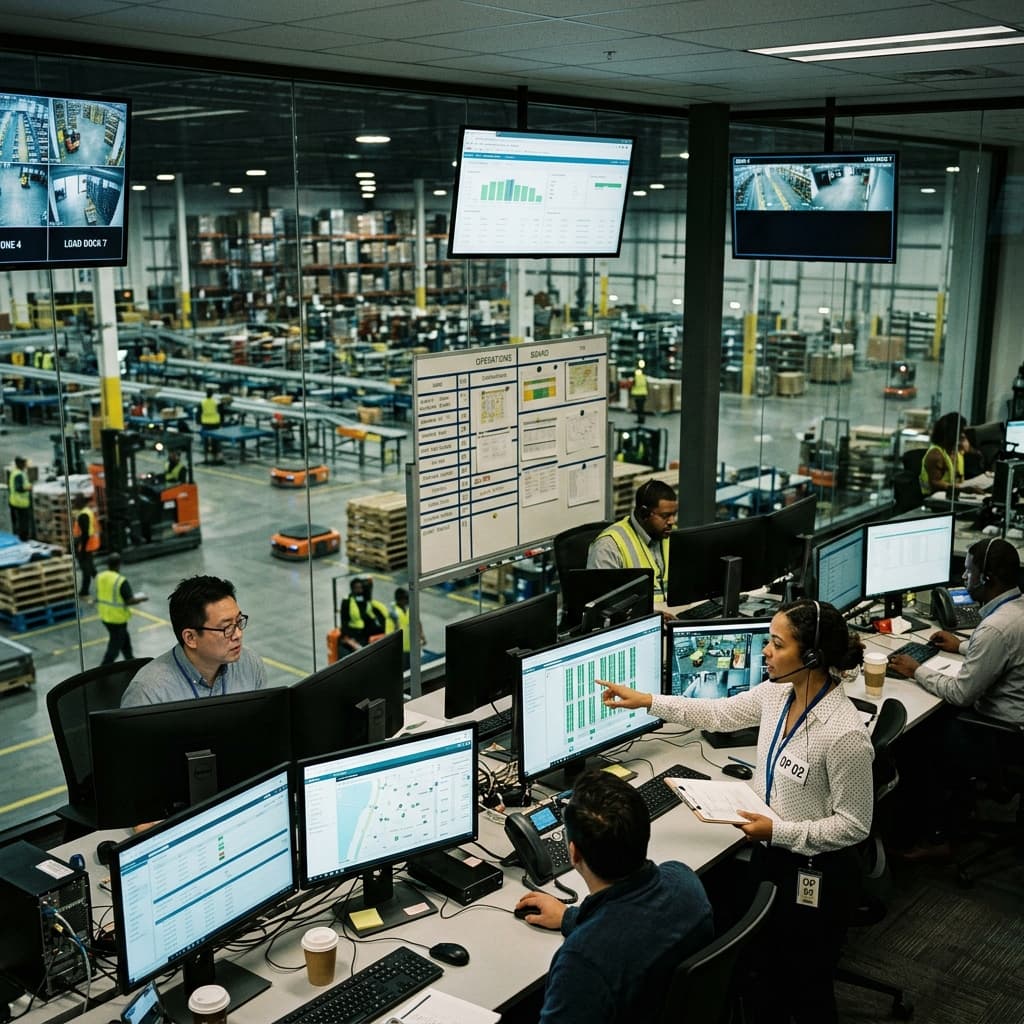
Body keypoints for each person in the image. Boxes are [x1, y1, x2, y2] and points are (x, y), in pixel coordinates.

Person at [599, 599, 873, 1024]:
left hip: (815, 871)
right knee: (768, 976)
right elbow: (719, 713)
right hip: (771, 854)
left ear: (811, 657)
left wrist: (777, 831)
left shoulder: (843, 733)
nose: (766, 651)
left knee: (808, 988)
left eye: (777, 644)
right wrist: (647, 701)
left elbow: (854, 825)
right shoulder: (778, 693)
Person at [513, 770, 713, 1024]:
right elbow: (630, 923)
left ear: (574, 853)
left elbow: (613, 934)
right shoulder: (684, 881)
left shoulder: (583, 962)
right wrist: (569, 917)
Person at [888, 537, 1024, 856]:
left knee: (915, 739)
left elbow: (961, 693)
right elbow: (1001, 651)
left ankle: (937, 836)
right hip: (1015, 725)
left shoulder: (995, 628)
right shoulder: (1015, 610)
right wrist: (962, 646)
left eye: (968, 571)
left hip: (1005, 737)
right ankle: (959, 808)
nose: (964, 578)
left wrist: (916, 669)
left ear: (987, 578)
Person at [120, 575, 266, 706]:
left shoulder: (249, 664)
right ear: (190, 638)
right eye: (226, 628)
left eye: (239, 621)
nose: (238, 634)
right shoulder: (149, 693)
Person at [587, 479, 676, 602]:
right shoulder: (608, 546)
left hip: (673, 611)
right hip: (637, 614)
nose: (672, 521)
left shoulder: (671, 535)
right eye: (665, 516)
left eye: (674, 514)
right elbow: (603, 605)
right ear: (644, 514)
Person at [96, 553, 148, 665]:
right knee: (114, 648)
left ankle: (130, 660)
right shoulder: (120, 580)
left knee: (125, 640)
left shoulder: (100, 576)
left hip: (105, 615)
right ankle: (103, 668)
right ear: (119, 564)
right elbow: (129, 600)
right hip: (117, 618)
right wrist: (142, 598)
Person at [919, 411, 983, 496]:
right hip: (935, 497)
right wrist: (961, 489)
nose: (963, 435)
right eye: (961, 432)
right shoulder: (936, 454)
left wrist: (964, 441)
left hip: (953, 494)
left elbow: (976, 453)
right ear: (952, 433)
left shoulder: (956, 449)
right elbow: (935, 482)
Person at [339, 576, 392, 651]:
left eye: (361, 588)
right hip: (355, 631)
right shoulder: (347, 601)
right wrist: (345, 635)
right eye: (357, 588)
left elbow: (369, 590)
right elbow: (344, 619)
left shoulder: (365, 599)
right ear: (352, 589)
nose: (359, 590)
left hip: (366, 628)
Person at [71, 493, 100, 597]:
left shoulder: (83, 515)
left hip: (86, 545)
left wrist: (82, 548)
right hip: (90, 544)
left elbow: (85, 534)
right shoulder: (86, 511)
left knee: (85, 568)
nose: (74, 504)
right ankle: (101, 584)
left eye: (75, 502)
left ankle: (84, 590)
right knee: (91, 567)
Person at [390, 586, 425, 670]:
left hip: (412, 646)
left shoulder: (409, 609)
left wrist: (422, 636)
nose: (408, 601)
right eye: (406, 599)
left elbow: (417, 621)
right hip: (401, 648)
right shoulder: (393, 613)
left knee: (414, 668)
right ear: (400, 600)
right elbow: (391, 632)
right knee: (404, 670)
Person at [7, 456, 33, 541]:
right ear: (21, 464)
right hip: (20, 502)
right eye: (24, 463)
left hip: (14, 501)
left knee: (18, 521)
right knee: (23, 521)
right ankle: (24, 538)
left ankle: (19, 536)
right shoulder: (18, 474)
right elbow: (18, 488)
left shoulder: (15, 472)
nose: (26, 464)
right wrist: (28, 488)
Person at [199, 387, 222, 463]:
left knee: (205, 440)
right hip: (215, 423)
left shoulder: (202, 402)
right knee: (215, 439)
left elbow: (199, 412)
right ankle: (217, 456)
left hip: (205, 423)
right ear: (212, 394)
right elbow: (220, 410)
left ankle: (206, 457)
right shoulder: (215, 402)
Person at [631, 359, 648, 423]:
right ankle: (642, 419)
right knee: (642, 408)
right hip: (643, 394)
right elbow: (646, 385)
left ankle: (640, 419)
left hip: (638, 395)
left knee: (639, 408)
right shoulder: (644, 376)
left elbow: (633, 384)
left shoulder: (636, 377)